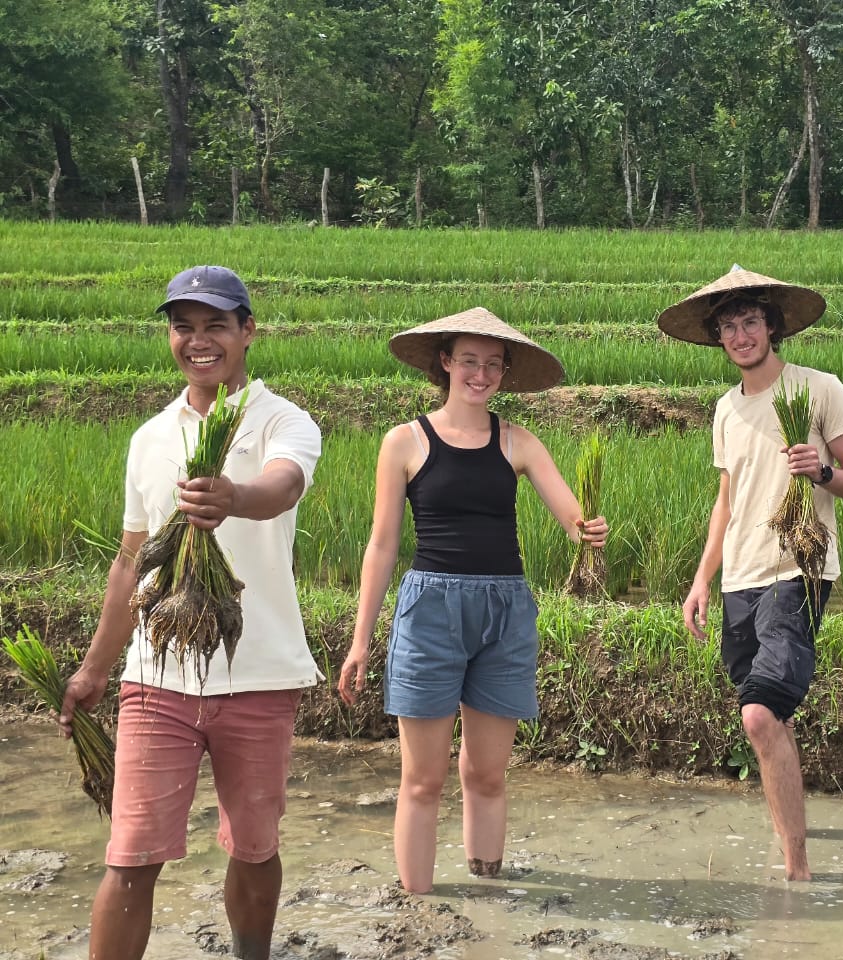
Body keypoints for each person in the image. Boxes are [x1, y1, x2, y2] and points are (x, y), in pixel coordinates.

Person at [58, 265, 323, 960]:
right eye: (183, 326)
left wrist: (230, 496)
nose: (198, 341)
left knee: (255, 846)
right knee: (131, 855)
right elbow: (130, 564)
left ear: (247, 332)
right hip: (157, 675)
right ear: (170, 336)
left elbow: (282, 485)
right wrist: (92, 672)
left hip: (258, 673)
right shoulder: (150, 437)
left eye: (215, 326)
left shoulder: (282, 421)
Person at [337, 307, 607, 894]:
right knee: (423, 780)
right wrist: (361, 642)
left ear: (504, 372)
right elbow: (382, 545)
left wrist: (586, 530)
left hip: (505, 614)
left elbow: (569, 514)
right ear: (445, 363)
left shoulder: (517, 441)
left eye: (491, 364)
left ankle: (486, 893)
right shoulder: (404, 442)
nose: (479, 374)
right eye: (468, 361)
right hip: (429, 611)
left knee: (486, 774)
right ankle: (419, 908)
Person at [660, 266, 843, 881]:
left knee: (757, 714)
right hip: (740, 580)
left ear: (772, 327)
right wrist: (702, 580)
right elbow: (727, 502)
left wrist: (824, 473)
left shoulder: (819, 389)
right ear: (719, 339)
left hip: (797, 565)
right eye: (728, 327)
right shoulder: (726, 409)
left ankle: (797, 869)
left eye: (750, 322)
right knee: (767, 715)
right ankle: (793, 823)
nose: (740, 335)